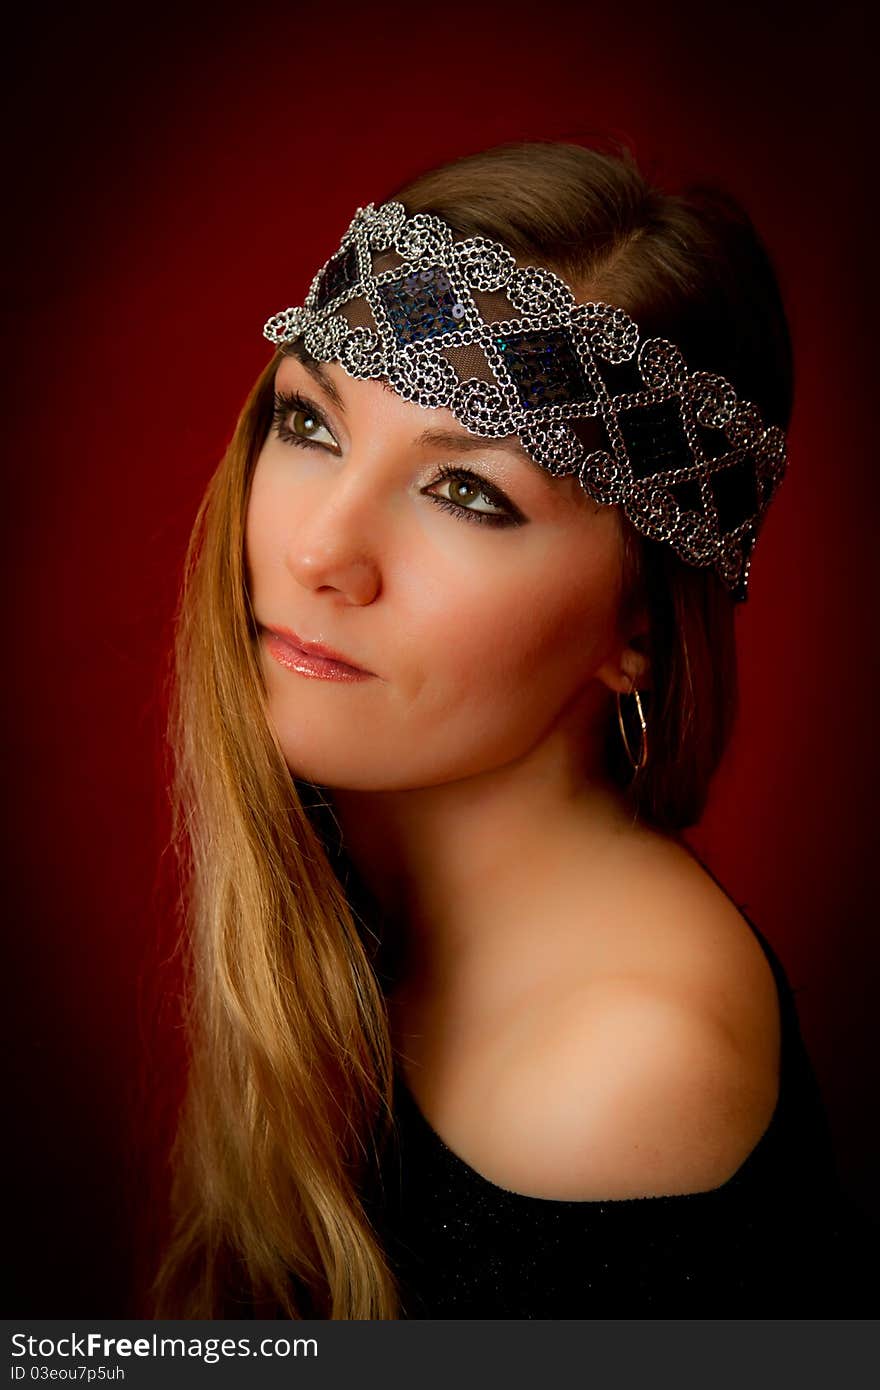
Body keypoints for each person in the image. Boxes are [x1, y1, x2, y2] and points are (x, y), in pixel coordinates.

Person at [148, 139, 876, 1319]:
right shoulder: (351, 872)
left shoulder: (625, 1075)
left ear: (637, 622)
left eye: (467, 494)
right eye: (311, 424)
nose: (317, 551)